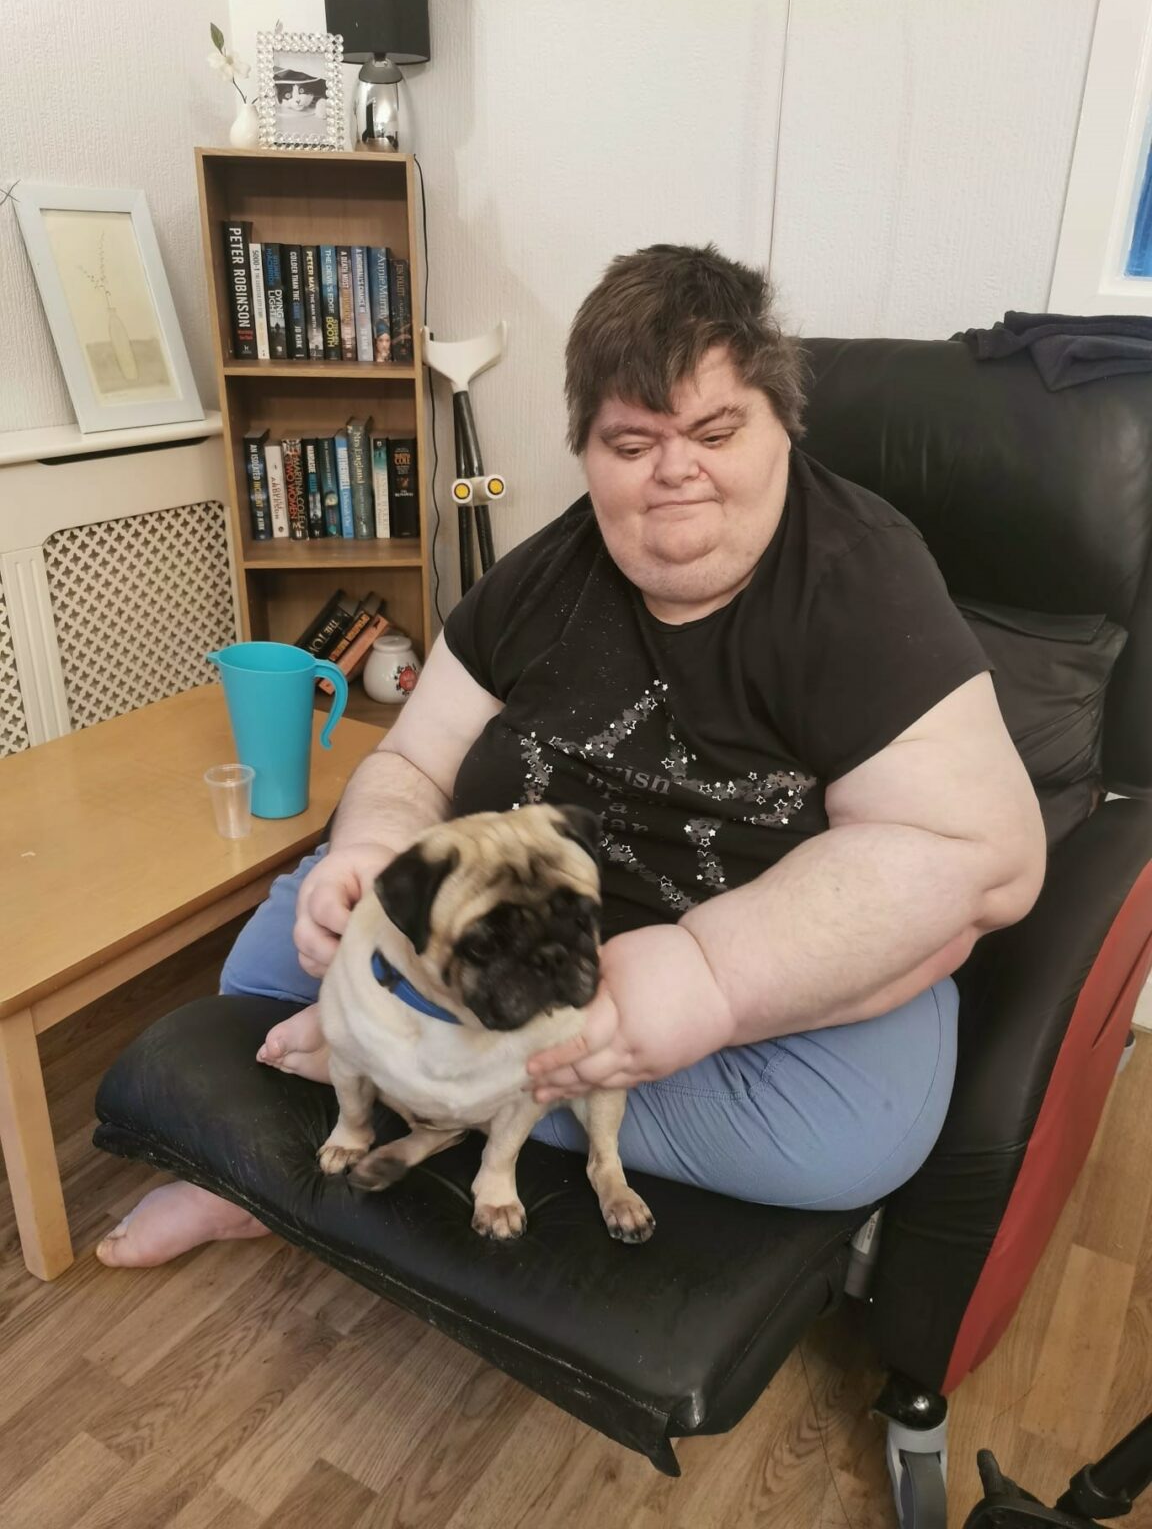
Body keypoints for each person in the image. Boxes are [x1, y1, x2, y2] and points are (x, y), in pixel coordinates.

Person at [96, 244, 1047, 1268]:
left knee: (839, 1139)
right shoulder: (548, 570)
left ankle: (409, 1073)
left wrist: (714, 975)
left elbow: (984, 856)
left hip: (741, 970)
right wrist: (372, 849)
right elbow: (412, 764)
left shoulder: (860, 578)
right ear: (586, 451)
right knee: (269, 961)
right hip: (505, 931)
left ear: (783, 425)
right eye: (632, 443)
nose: (675, 471)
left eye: (716, 432)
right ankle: (275, 1170)